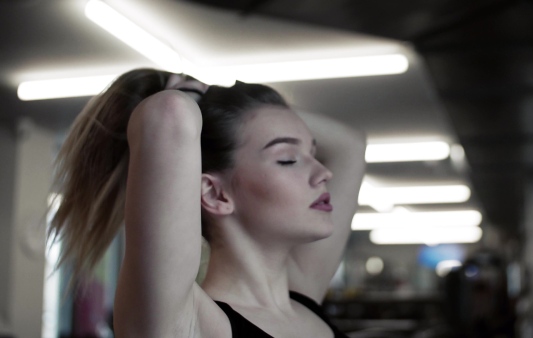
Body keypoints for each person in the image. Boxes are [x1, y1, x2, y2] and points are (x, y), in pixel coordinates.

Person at [49, 68, 366, 337]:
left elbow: (350, 144)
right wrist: (196, 99)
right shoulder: (190, 323)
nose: (323, 173)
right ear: (215, 194)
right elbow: (169, 112)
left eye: (312, 152)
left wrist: (218, 99)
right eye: (287, 159)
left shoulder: (301, 295)